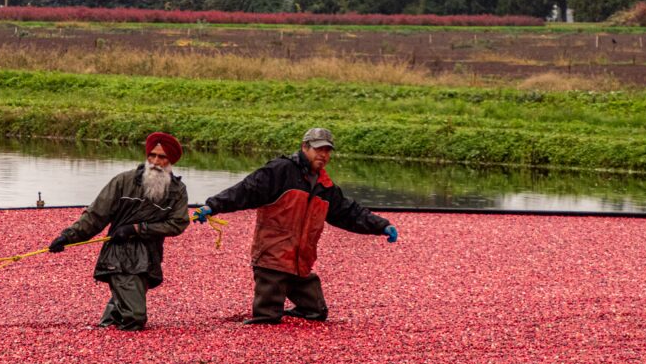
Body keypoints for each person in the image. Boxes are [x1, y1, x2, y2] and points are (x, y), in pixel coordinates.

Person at [194, 127, 398, 325]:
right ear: (304, 147)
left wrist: (381, 226)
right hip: (272, 257)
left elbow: (348, 212)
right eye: (318, 149)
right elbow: (245, 191)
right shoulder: (280, 171)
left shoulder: (325, 186)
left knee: (316, 312)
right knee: (267, 317)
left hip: (300, 260)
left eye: (327, 151)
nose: (323, 155)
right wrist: (212, 206)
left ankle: (294, 305)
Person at [49, 132, 189, 331]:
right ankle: (116, 337)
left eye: (162, 157)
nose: (156, 161)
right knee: (135, 316)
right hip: (119, 255)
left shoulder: (177, 190)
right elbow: (96, 215)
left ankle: (107, 328)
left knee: (127, 299)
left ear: (171, 161)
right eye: (152, 155)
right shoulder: (124, 181)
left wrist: (137, 229)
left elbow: (178, 223)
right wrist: (67, 237)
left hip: (150, 254)